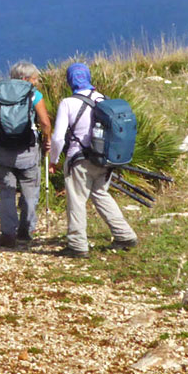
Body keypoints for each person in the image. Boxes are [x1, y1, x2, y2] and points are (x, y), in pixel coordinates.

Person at [48, 63, 138, 258]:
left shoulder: (67, 103)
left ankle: (78, 245)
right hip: (104, 159)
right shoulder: (102, 99)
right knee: (100, 194)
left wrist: (53, 160)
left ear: (70, 80)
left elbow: (57, 138)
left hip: (79, 159)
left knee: (77, 200)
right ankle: (125, 235)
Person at [0, 61, 52, 248]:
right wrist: (47, 140)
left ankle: (7, 235)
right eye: (35, 78)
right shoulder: (34, 95)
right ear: (26, 78)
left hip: (3, 149)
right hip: (27, 150)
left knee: (6, 192)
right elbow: (44, 122)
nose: (36, 82)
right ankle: (26, 230)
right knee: (30, 190)